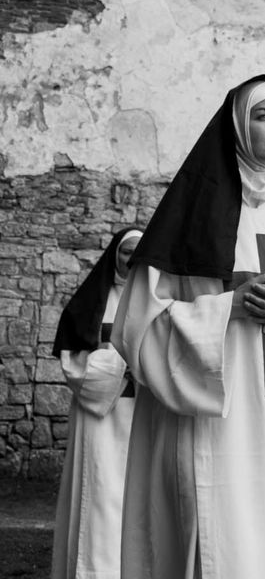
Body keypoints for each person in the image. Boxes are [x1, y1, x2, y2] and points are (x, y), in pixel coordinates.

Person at [111, 75, 265, 579]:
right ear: (237, 128)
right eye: (263, 117)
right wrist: (229, 308)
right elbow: (138, 326)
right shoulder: (192, 221)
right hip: (213, 420)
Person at [50, 227, 142, 579]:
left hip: (143, 417)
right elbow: (74, 365)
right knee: (100, 496)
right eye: (125, 252)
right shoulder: (92, 301)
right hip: (101, 419)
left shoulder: (157, 300)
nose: (132, 259)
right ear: (113, 256)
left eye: (139, 252)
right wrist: (124, 362)